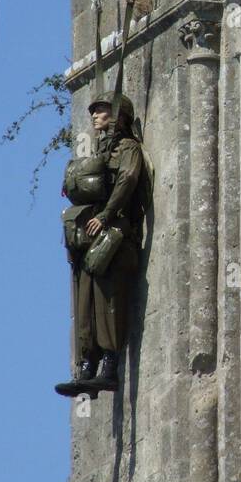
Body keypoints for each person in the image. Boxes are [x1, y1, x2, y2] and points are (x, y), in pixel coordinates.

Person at [55, 92, 146, 398]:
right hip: (89, 237)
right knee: (84, 300)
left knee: (109, 300)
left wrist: (106, 215)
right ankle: (86, 368)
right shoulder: (97, 152)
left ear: (118, 115)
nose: (95, 115)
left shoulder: (128, 149)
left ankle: (108, 366)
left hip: (115, 233)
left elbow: (128, 181)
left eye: (102, 111)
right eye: (93, 112)